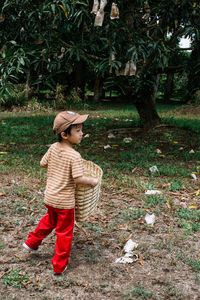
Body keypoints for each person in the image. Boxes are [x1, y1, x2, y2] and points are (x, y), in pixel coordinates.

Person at [23, 111, 98, 275]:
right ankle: (59, 265)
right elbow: (78, 179)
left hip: (50, 198)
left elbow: (43, 163)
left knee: (49, 221)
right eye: (77, 131)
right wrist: (92, 181)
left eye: (81, 130)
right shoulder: (74, 156)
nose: (82, 133)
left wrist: (57, 166)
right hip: (64, 203)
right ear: (64, 134)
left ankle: (31, 242)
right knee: (64, 233)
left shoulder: (53, 148)